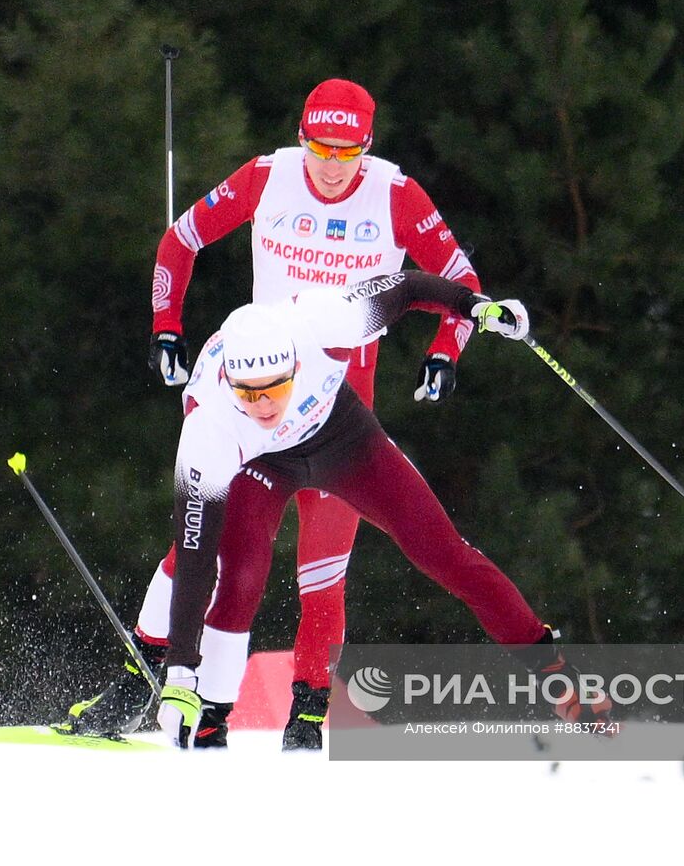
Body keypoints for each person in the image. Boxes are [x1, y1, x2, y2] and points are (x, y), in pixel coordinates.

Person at [70, 79, 485, 750]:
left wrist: (445, 351)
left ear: (366, 147)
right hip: (258, 403)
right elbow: (179, 242)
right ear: (301, 138)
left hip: (342, 418)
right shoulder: (268, 176)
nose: (331, 164)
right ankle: (140, 678)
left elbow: (461, 282)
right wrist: (165, 328)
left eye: (346, 150)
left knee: (322, 573)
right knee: (205, 547)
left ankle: (310, 713)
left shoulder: (395, 194)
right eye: (320, 147)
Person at [148, 271, 614, 748]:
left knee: (443, 552)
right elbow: (194, 553)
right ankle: (208, 714)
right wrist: (181, 673)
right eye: (250, 392)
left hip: (342, 437)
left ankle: (554, 671)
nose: (265, 404)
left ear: (294, 364)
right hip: (260, 463)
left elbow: (409, 287)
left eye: (275, 387)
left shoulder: (325, 319)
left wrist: (474, 306)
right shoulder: (208, 426)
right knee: (241, 573)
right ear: (229, 381)